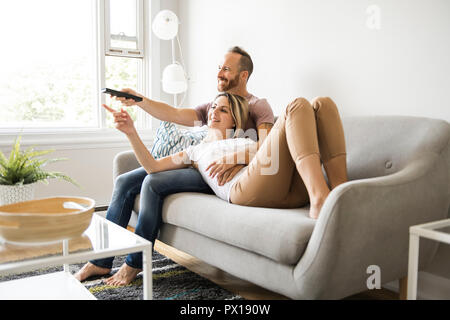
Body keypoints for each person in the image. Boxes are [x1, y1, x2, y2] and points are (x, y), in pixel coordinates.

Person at [75, 92, 347, 286]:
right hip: (245, 189)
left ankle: (340, 193)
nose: (214, 112)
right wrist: (131, 132)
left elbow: (270, 151)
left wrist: (239, 155)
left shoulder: (245, 138)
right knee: (297, 104)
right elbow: (153, 168)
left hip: (284, 185)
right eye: (213, 108)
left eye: (223, 109)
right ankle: (320, 197)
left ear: (236, 121)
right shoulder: (196, 150)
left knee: (322, 104)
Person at [74, 46, 274, 284]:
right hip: (197, 158)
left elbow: (267, 147)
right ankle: (100, 262)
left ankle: (134, 264)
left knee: (153, 182)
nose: (220, 73)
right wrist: (138, 100)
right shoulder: (214, 105)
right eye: (219, 68)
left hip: (217, 172)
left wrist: (235, 159)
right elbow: (175, 113)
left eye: (226, 69)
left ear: (243, 75)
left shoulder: (258, 106)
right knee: (125, 181)